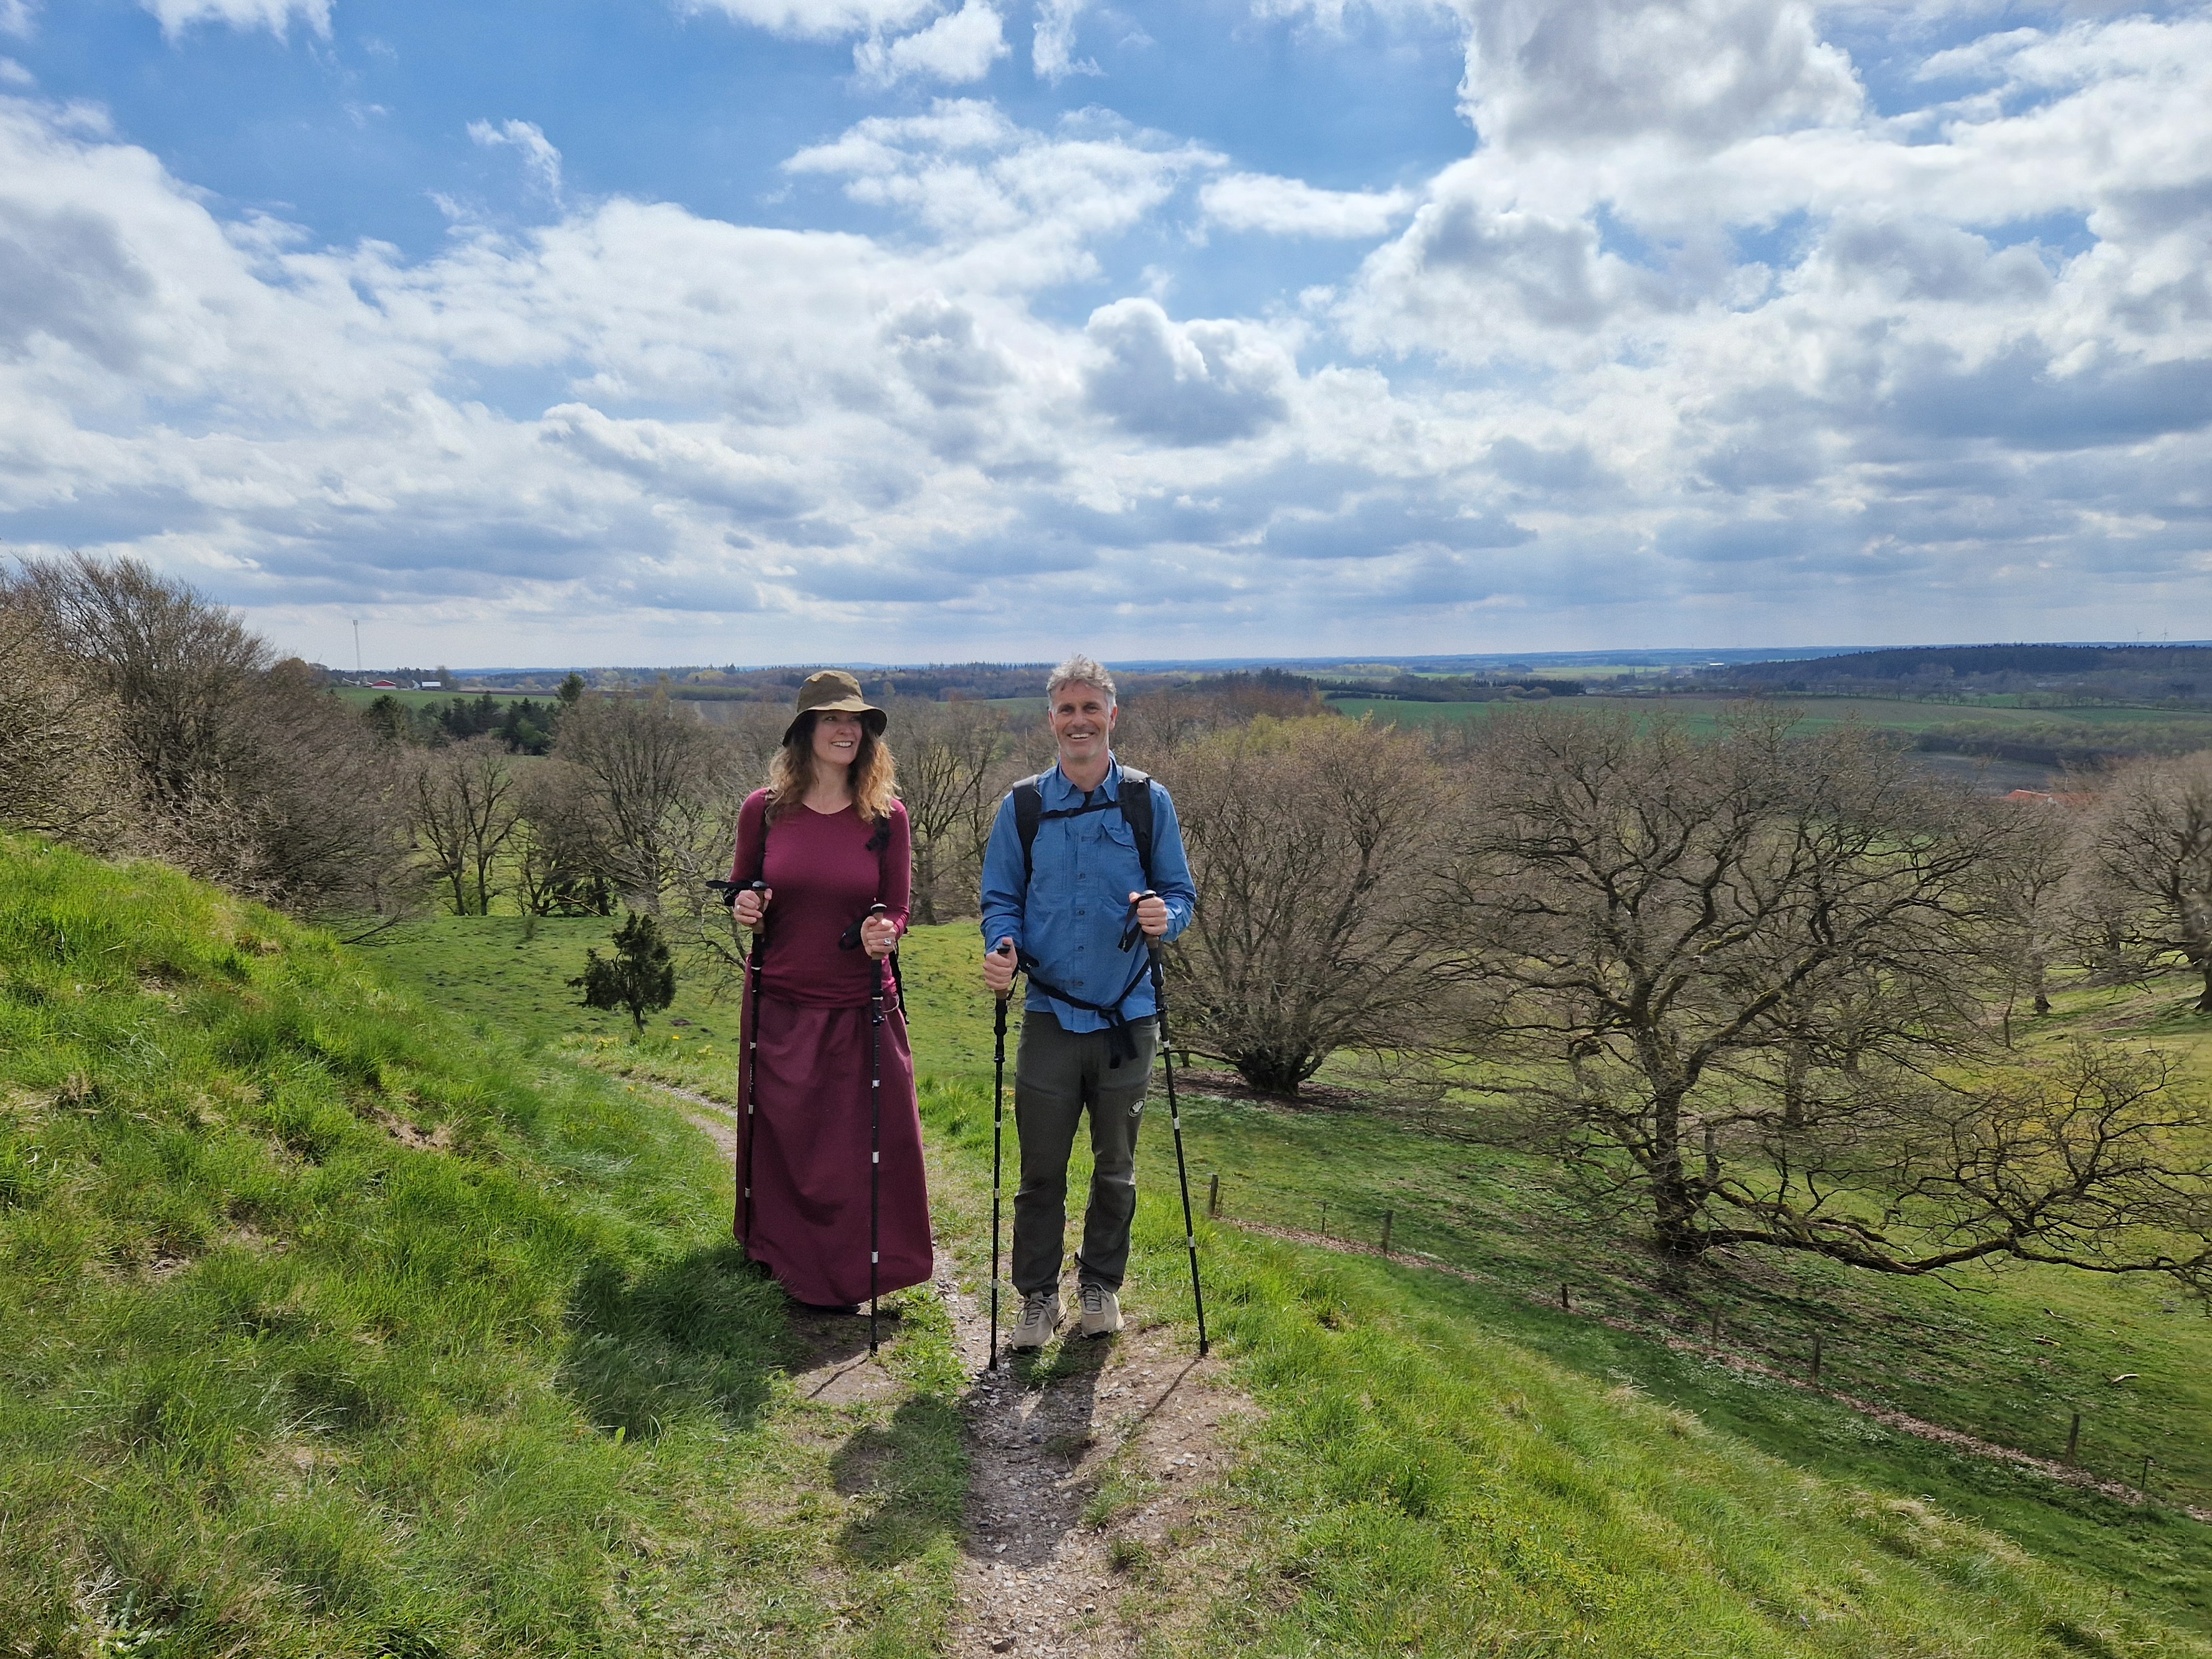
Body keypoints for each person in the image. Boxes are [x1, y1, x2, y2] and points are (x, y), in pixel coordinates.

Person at [979, 654, 1196, 1347]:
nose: (1079, 720)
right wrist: (1002, 946)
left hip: (1128, 1016)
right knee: (1039, 1169)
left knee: (1116, 1166)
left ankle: (1100, 1283)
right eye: (1066, 709)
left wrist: (1167, 916)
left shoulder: (1145, 800)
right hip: (1048, 1011)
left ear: (1111, 715)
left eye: (1090, 707)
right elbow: (999, 900)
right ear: (1051, 719)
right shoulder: (1022, 805)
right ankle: (1036, 1297)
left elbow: (1180, 893)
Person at [728, 670, 931, 1313]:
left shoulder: (886, 817)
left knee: (861, 1143)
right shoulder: (763, 810)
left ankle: (858, 1270)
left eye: (857, 721)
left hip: (860, 1001)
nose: (846, 729)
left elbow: (897, 908)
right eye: (831, 719)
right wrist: (747, 903)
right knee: (786, 1136)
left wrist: (883, 931)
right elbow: (741, 885)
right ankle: (782, 1260)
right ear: (804, 731)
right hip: (781, 998)